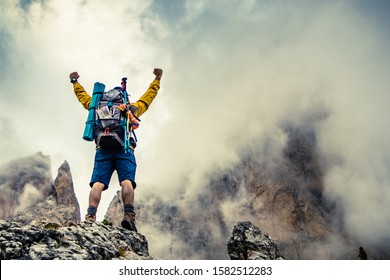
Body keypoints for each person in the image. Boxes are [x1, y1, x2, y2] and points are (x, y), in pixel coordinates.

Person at [69, 68, 163, 231]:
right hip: (124, 149)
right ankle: (128, 215)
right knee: (126, 181)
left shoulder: (97, 105)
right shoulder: (129, 108)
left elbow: (83, 98)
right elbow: (148, 98)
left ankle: (90, 216)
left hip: (102, 149)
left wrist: (75, 82)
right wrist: (157, 80)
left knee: (97, 183)